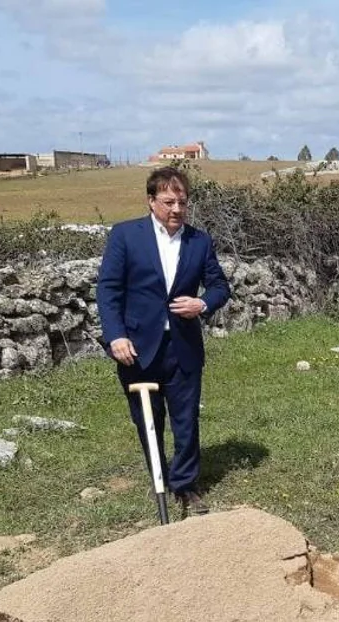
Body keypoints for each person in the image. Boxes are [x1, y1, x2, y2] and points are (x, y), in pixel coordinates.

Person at [96, 166, 231, 517]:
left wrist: (201, 303)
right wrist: (116, 336)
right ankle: (160, 476)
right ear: (151, 201)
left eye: (182, 202)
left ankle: (186, 486)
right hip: (137, 349)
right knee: (147, 420)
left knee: (186, 419)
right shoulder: (126, 236)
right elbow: (108, 290)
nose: (176, 209)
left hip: (183, 346)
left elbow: (219, 286)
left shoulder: (199, 241)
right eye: (169, 201)